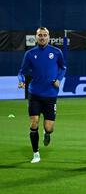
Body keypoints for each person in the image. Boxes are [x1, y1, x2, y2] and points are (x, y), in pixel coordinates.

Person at [18, 27, 67, 163]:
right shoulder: (29, 54)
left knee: (49, 127)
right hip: (34, 93)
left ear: (48, 36)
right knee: (34, 123)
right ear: (36, 36)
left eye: (45, 35)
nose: (42, 37)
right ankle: (36, 153)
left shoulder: (56, 52)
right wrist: (21, 81)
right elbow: (21, 72)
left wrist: (59, 79)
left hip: (50, 95)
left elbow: (63, 67)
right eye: (40, 35)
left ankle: (47, 133)